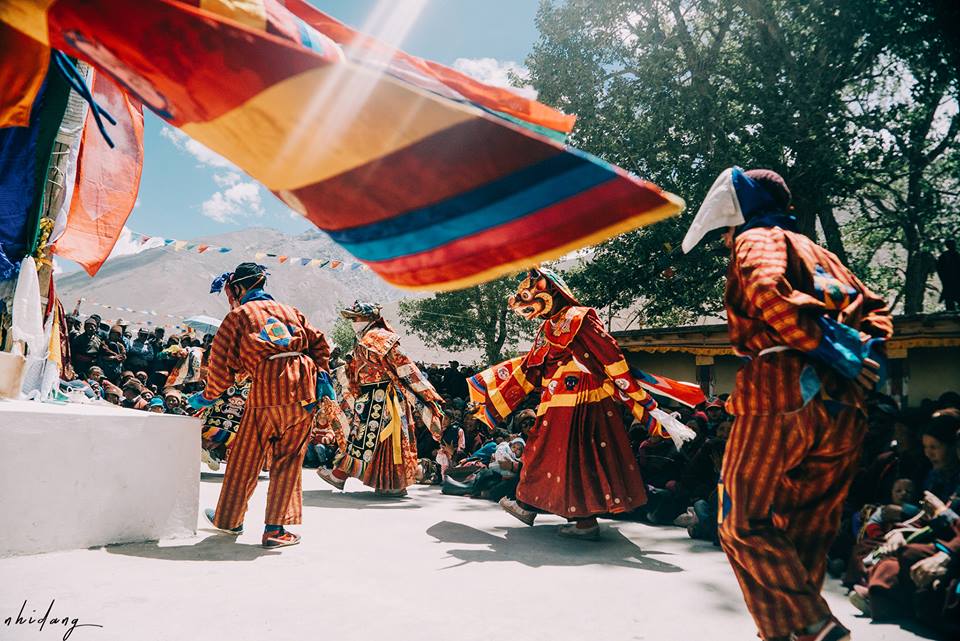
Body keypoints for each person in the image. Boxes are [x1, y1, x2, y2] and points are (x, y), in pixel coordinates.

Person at [682, 167, 894, 641]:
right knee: (804, 534)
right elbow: (878, 312)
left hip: (782, 392)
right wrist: (856, 355)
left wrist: (828, 345)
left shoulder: (756, 237)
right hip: (846, 408)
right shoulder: (826, 255)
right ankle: (788, 635)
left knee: (742, 521)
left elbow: (766, 292)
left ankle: (815, 625)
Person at [469, 268, 698, 540]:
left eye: (531, 298)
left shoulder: (580, 318)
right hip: (554, 402)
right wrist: (492, 397)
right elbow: (531, 368)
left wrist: (637, 395)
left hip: (585, 400)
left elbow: (609, 353)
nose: (528, 309)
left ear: (552, 292)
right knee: (541, 453)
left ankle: (581, 521)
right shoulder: (546, 328)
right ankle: (529, 506)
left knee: (577, 458)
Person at [191, 263, 332, 549]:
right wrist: (320, 375)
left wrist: (208, 395)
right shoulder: (291, 310)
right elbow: (320, 343)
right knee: (288, 459)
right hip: (303, 391)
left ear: (239, 288)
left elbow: (219, 364)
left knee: (246, 456)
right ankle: (275, 531)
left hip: (267, 389)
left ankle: (228, 520)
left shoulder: (238, 316)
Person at [317, 302, 443, 497]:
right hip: (371, 397)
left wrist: (427, 392)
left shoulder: (382, 339)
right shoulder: (363, 339)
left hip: (384, 398)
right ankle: (389, 484)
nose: (353, 322)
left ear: (368, 318)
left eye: (355, 318)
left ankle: (343, 475)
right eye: (352, 318)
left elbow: (406, 368)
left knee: (368, 439)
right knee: (371, 440)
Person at [936, 239, 959, 312]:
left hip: (954, 282)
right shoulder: (944, 257)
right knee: (949, 301)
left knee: (950, 299)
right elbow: (940, 270)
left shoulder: (956, 255)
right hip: (950, 281)